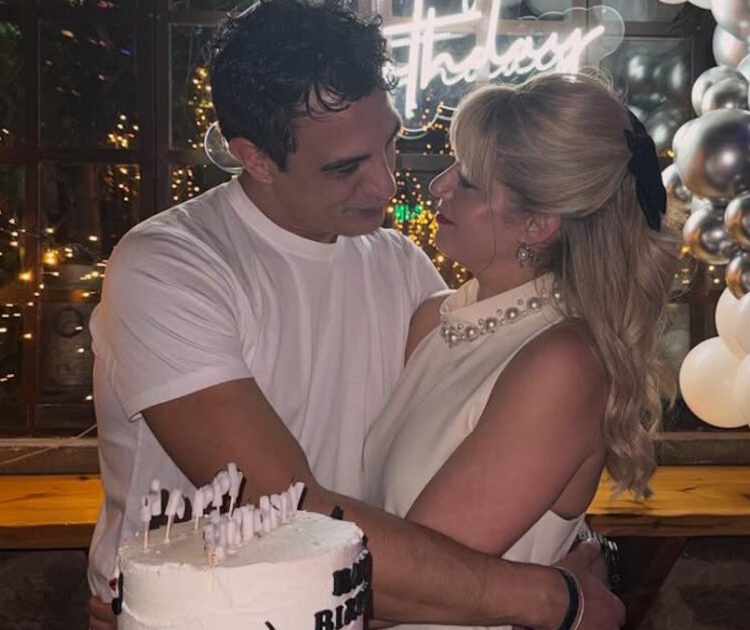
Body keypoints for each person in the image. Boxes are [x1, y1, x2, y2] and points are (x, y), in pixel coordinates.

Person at [86, 1, 623, 629]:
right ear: (254, 157)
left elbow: (499, 451)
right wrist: (553, 598)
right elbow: (290, 512)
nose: (386, 185)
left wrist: (577, 537)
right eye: (346, 167)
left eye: (389, 146)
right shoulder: (171, 265)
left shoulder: (400, 266)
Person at [363, 71, 682, 630]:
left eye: (467, 180)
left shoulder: (564, 362)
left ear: (537, 224)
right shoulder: (435, 318)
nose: (439, 185)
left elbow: (409, 586)